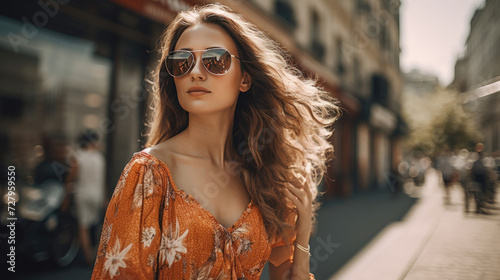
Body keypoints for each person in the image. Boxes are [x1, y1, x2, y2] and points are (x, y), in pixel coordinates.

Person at [91, 3, 339, 280]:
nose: (195, 72)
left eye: (215, 60)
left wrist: (301, 236)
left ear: (245, 78)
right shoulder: (148, 175)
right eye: (181, 62)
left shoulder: (266, 177)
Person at [69, 130, 106, 265]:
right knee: (94, 225)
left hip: (82, 194)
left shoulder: (78, 156)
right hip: (97, 195)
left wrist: (66, 195)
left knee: (83, 226)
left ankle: (88, 258)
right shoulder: (99, 157)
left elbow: (71, 178)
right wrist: (105, 198)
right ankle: (96, 254)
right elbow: (102, 180)